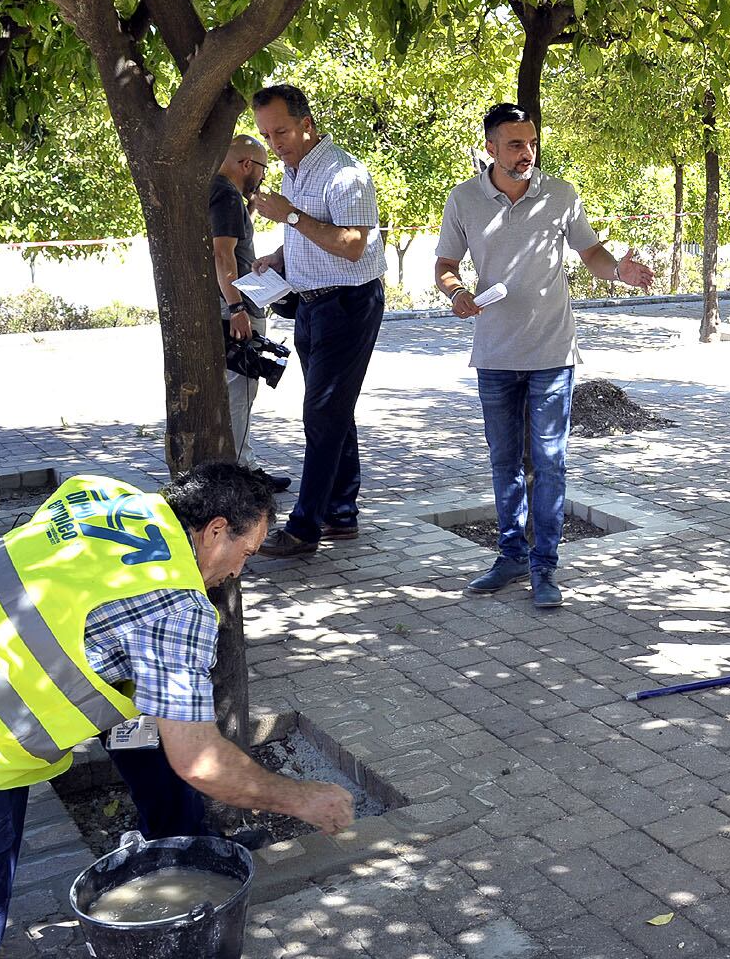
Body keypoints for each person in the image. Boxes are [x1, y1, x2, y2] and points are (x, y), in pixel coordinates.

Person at [0, 463, 354, 959]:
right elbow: (200, 761)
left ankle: (180, 839)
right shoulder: (177, 608)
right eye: (245, 554)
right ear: (214, 530)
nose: (236, 574)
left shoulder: (101, 495)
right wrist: (302, 799)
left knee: (142, 724)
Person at [433, 103, 653, 608]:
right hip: (493, 356)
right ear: (489, 148)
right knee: (505, 462)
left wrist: (620, 271)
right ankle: (510, 555)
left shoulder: (561, 196)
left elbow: (590, 253)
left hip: (552, 353)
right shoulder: (463, 199)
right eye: (515, 144)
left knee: (549, 464)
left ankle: (544, 567)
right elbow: (445, 263)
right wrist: (455, 291)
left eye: (531, 142)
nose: (527, 152)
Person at [249, 84, 387, 558]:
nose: (274, 144)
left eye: (281, 131)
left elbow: (351, 244)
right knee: (333, 409)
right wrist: (278, 257)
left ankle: (305, 526)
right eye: (266, 135)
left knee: (322, 414)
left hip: (348, 305)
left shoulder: (343, 173)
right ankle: (342, 511)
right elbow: (311, 237)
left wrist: (289, 217)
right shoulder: (294, 170)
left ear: (307, 124)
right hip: (310, 303)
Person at [211, 135, 290, 492]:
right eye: (262, 168)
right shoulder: (226, 195)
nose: (262, 176)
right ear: (246, 165)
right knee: (240, 392)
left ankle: (239, 466)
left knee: (235, 392)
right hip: (236, 310)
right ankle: (244, 474)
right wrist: (237, 307)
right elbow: (223, 256)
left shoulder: (218, 192)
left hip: (233, 305)